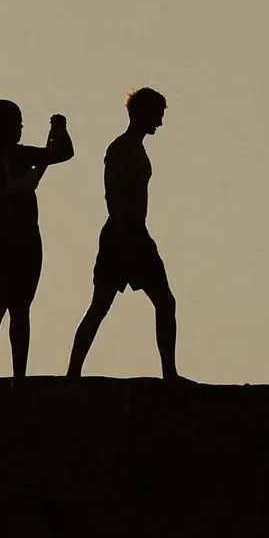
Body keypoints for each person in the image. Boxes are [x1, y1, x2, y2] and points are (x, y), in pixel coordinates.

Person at [67, 88, 181, 381]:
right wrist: (124, 235)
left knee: (163, 302)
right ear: (141, 112)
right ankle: (73, 373)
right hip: (122, 233)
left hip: (135, 231)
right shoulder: (120, 149)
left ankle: (169, 372)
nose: (160, 122)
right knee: (101, 305)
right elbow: (113, 194)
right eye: (157, 114)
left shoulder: (137, 149)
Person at [0, 100, 74, 378]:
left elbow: (38, 168)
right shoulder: (17, 155)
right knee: (19, 309)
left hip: (0, 234)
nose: (21, 127)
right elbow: (63, 153)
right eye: (17, 122)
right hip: (22, 237)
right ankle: (18, 376)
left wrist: (48, 147)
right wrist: (60, 127)